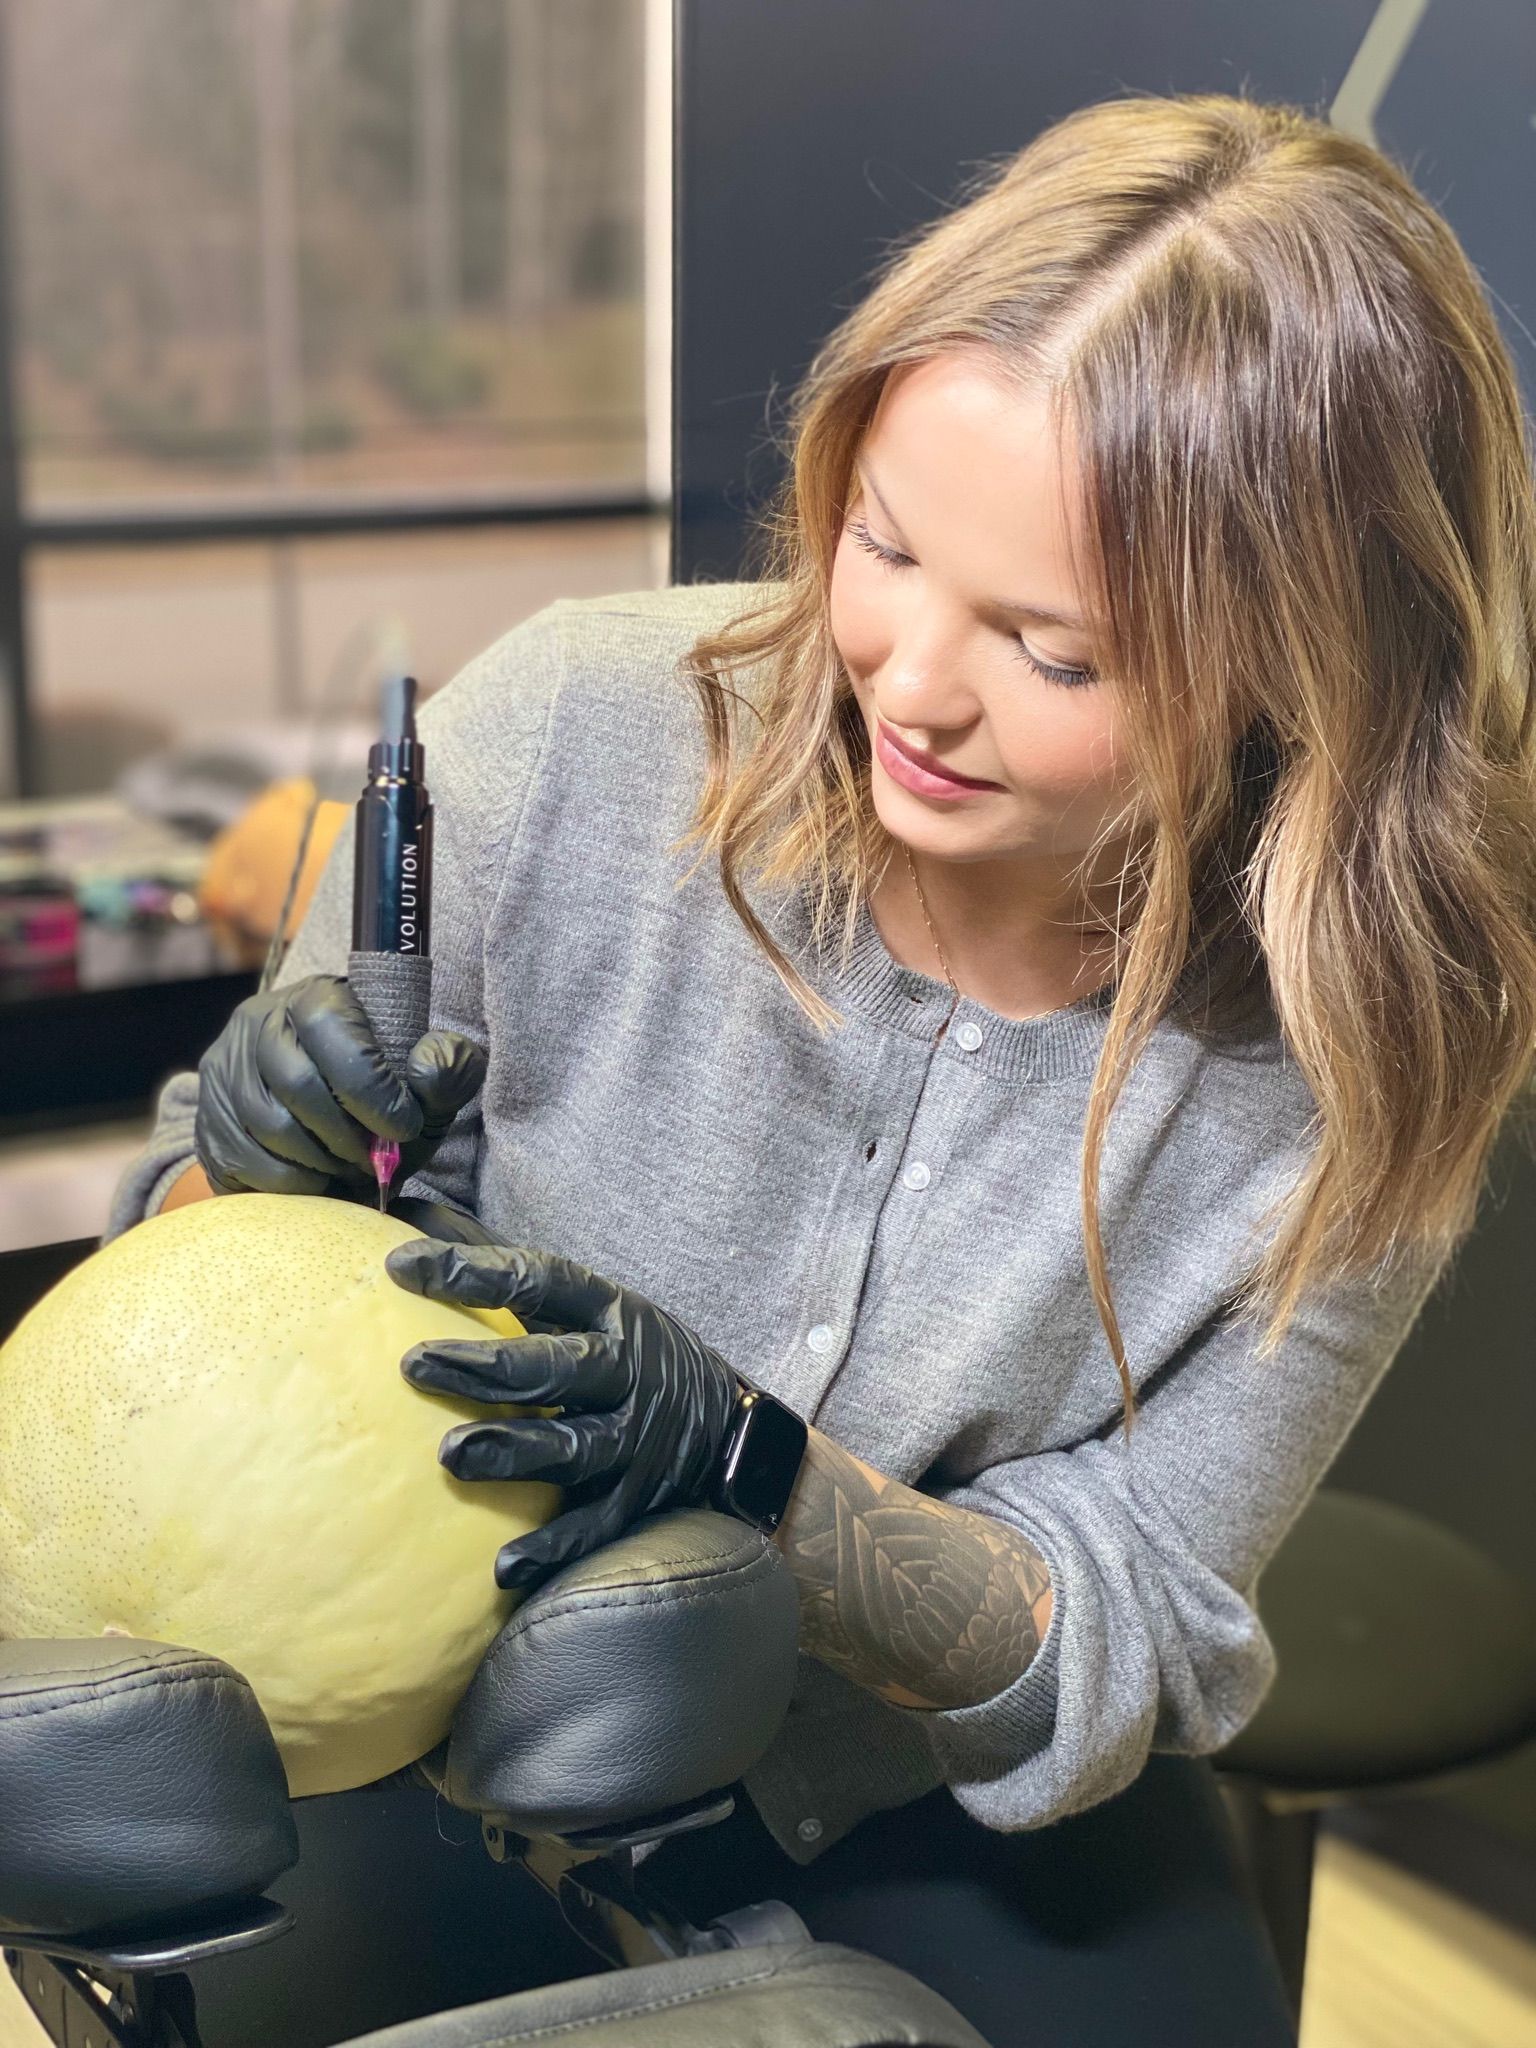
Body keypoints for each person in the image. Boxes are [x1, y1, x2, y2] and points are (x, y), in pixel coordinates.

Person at [104, 89, 1536, 2045]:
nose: (907, 679)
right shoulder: (564, 735)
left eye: (1055, 650)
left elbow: (1126, 1621)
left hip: (912, 1777)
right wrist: (245, 1184)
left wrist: (762, 1478)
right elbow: (193, 1282)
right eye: (883, 541)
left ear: (1308, 676)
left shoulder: (1358, 1046)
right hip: (438, 1732)